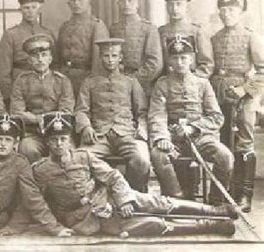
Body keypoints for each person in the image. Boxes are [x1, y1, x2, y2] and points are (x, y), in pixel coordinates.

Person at [30, 112, 237, 237]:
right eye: (54, 140)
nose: (59, 144)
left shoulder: (83, 156)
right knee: (153, 224)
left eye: (63, 139)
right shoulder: (40, 170)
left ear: (69, 140)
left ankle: (217, 211)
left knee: (161, 203)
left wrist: (123, 199)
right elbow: (37, 204)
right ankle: (215, 226)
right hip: (86, 218)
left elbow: (113, 176)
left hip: (109, 196)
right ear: (47, 142)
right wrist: (56, 229)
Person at [149, 35, 234, 205]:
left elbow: (216, 117)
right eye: (175, 58)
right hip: (173, 139)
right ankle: (177, 200)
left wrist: (193, 128)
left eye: (184, 58)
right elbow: (156, 115)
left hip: (201, 138)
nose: (180, 62)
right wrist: (162, 138)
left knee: (225, 157)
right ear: (169, 61)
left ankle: (215, 203)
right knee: (158, 155)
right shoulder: (162, 84)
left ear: (191, 60)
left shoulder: (203, 84)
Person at [210, 0, 264, 212]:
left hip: (245, 97)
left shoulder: (252, 37)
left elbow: (262, 71)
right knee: (223, 142)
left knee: (243, 143)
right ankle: (227, 191)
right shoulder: (215, 38)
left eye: (231, 9)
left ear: (241, 11)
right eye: (223, 10)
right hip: (221, 95)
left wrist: (243, 90)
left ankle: (245, 195)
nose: (226, 14)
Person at [75, 38, 150, 192]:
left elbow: (142, 111)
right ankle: (97, 196)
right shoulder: (89, 82)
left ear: (120, 57)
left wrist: (142, 129)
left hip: (127, 133)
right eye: (106, 56)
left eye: (114, 56)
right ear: (100, 57)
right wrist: (85, 127)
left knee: (142, 160)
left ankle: (134, 195)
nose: (110, 60)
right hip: (99, 135)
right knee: (80, 159)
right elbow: (81, 110)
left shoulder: (130, 82)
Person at [10, 34, 75, 163]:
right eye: (35, 56)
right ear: (29, 60)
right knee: (27, 149)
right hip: (32, 133)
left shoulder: (62, 81)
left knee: (71, 156)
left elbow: (66, 111)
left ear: (50, 59)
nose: (40, 60)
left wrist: (45, 119)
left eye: (44, 55)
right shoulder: (21, 81)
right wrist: (36, 119)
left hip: (59, 131)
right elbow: (16, 112)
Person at [0, 0, 56, 105]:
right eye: (26, 8)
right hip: (20, 85)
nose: (30, 11)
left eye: (34, 7)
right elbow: (4, 70)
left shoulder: (47, 33)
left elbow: (54, 64)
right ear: (20, 9)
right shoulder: (10, 34)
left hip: (44, 85)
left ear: (39, 9)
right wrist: (8, 97)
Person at [57, 0, 110, 96]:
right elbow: (58, 58)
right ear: (68, 3)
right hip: (64, 79)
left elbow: (99, 62)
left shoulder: (96, 26)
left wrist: (93, 85)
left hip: (86, 80)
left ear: (89, 0)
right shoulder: (64, 27)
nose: (76, 3)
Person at [109, 0, 162, 96]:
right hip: (118, 84)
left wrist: (134, 79)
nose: (126, 4)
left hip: (142, 85)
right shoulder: (113, 29)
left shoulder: (149, 28)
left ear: (138, 3)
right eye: (122, 1)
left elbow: (155, 63)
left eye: (130, 0)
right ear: (118, 3)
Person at [159, 0, 214, 77]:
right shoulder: (161, 31)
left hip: (193, 84)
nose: (175, 9)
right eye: (171, 4)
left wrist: (192, 81)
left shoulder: (197, 32)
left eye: (179, 4)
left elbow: (207, 65)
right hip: (167, 84)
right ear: (167, 7)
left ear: (186, 7)